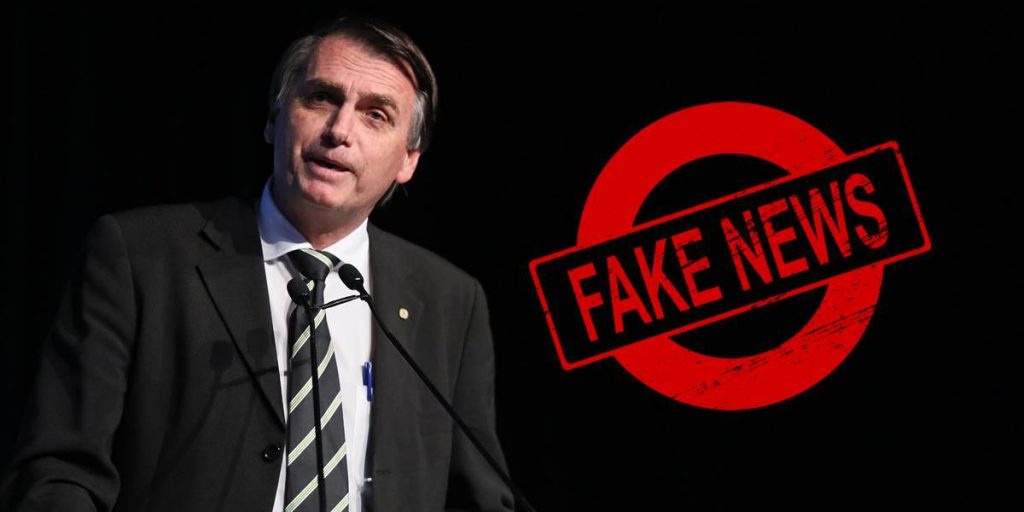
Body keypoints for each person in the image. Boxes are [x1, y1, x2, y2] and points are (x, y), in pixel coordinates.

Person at [1, 15, 514, 512]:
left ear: (408, 160)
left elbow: (478, 495)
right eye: (322, 97)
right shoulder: (142, 257)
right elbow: (59, 470)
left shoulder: (450, 300)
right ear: (274, 118)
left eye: (375, 115)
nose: (340, 130)